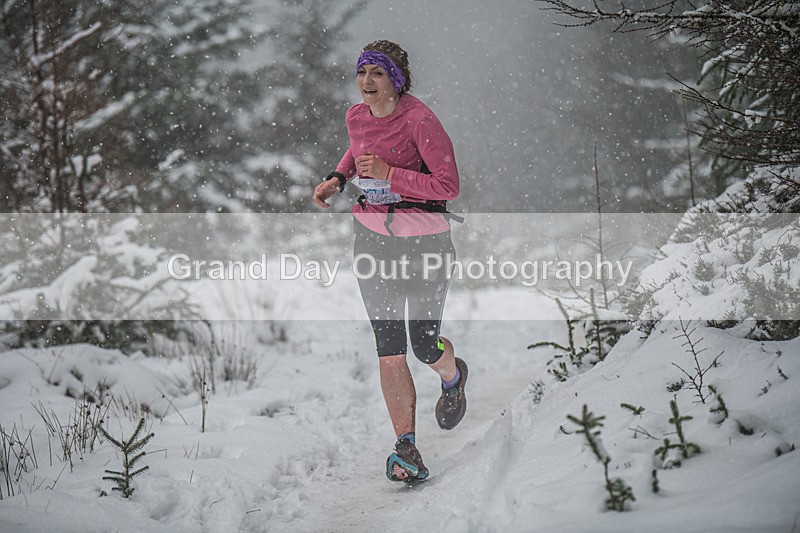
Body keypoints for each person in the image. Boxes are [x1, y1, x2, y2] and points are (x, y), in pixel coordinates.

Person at [312, 40, 468, 483]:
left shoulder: (420, 120)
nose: (366, 81)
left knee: (424, 345)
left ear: (396, 80)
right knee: (389, 346)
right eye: (362, 72)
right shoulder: (356, 116)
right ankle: (406, 448)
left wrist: (391, 175)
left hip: (425, 244)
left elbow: (448, 185)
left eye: (377, 73)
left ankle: (453, 377)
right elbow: (358, 149)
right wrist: (339, 177)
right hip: (373, 242)